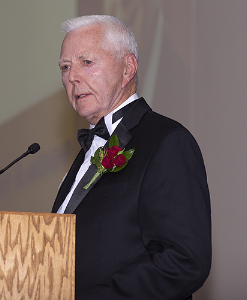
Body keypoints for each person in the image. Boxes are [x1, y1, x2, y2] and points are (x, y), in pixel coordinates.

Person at [51, 15, 211, 299]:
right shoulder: (87, 152)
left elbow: (184, 261)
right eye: (65, 67)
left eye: (86, 62)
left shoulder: (166, 141)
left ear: (128, 68)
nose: (72, 76)